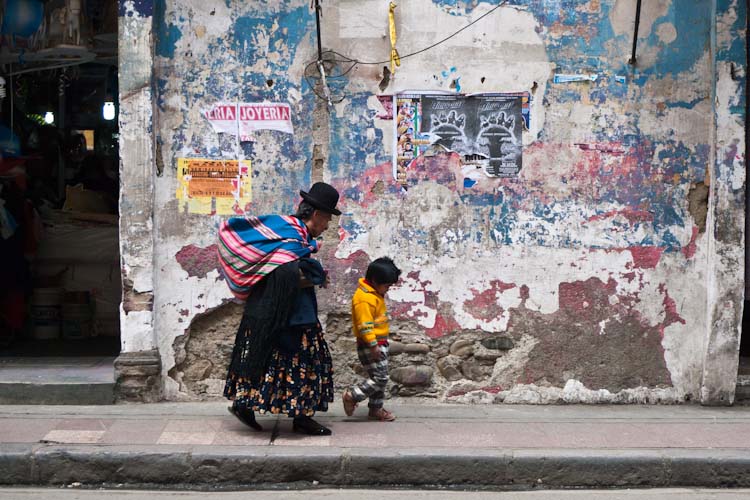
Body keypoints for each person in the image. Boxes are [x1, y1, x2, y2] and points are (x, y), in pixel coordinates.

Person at [219, 182, 341, 436]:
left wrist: (313, 272)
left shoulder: (288, 234)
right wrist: (315, 275)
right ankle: (295, 415)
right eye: (328, 218)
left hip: (273, 310)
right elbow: (286, 274)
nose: (328, 225)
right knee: (303, 361)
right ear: (316, 215)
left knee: (271, 358)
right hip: (288, 314)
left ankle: (255, 406)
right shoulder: (292, 238)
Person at [342, 257, 402, 422]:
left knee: (379, 378)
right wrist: (373, 344)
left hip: (378, 343)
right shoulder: (364, 298)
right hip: (370, 345)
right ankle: (352, 396)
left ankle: (376, 409)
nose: (388, 289)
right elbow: (365, 325)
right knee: (380, 378)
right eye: (386, 286)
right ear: (375, 281)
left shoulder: (374, 294)